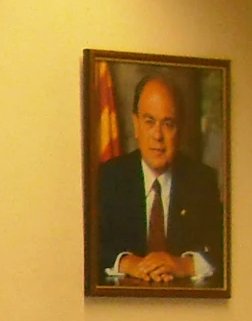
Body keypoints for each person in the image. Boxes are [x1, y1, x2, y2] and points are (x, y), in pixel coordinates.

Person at [96, 72, 224, 285]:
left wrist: (185, 264)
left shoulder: (202, 181)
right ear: (136, 124)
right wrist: (127, 263)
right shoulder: (109, 179)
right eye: (149, 122)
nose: (158, 136)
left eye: (168, 124)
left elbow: (223, 252)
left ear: (180, 129)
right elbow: (90, 249)